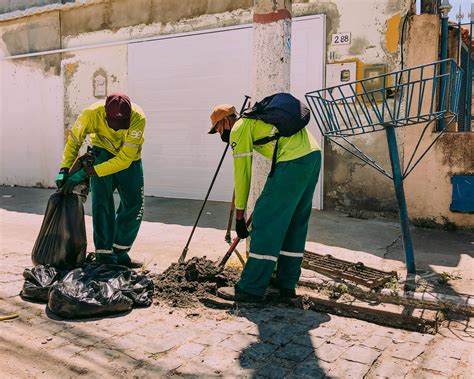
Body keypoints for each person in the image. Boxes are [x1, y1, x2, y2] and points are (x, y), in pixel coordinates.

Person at [208, 103, 321, 302]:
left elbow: (242, 174)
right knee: (294, 223)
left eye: (217, 129)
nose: (219, 134)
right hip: (312, 155)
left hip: (292, 161)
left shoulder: (239, 128)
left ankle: (251, 288)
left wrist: (240, 215)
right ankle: (286, 283)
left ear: (225, 121)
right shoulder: (256, 119)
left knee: (265, 221)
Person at [55, 92, 146, 267]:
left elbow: (124, 160)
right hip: (102, 153)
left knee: (135, 204)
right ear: (105, 113)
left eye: (122, 124)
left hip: (130, 160)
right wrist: (65, 168)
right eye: (114, 124)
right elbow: (74, 140)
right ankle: (104, 255)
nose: (118, 128)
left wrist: (87, 173)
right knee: (102, 204)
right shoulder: (91, 114)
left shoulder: (138, 118)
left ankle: (120, 252)